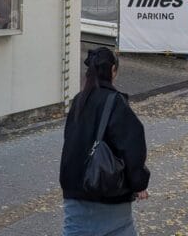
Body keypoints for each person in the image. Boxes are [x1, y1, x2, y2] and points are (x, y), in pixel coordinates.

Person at [61, 48, 150, 236]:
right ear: (112, 71)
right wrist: (139, 183)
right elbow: (133, 146)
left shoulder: (78, 102)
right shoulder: (115, 102)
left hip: (75, 193)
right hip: (109, 194)